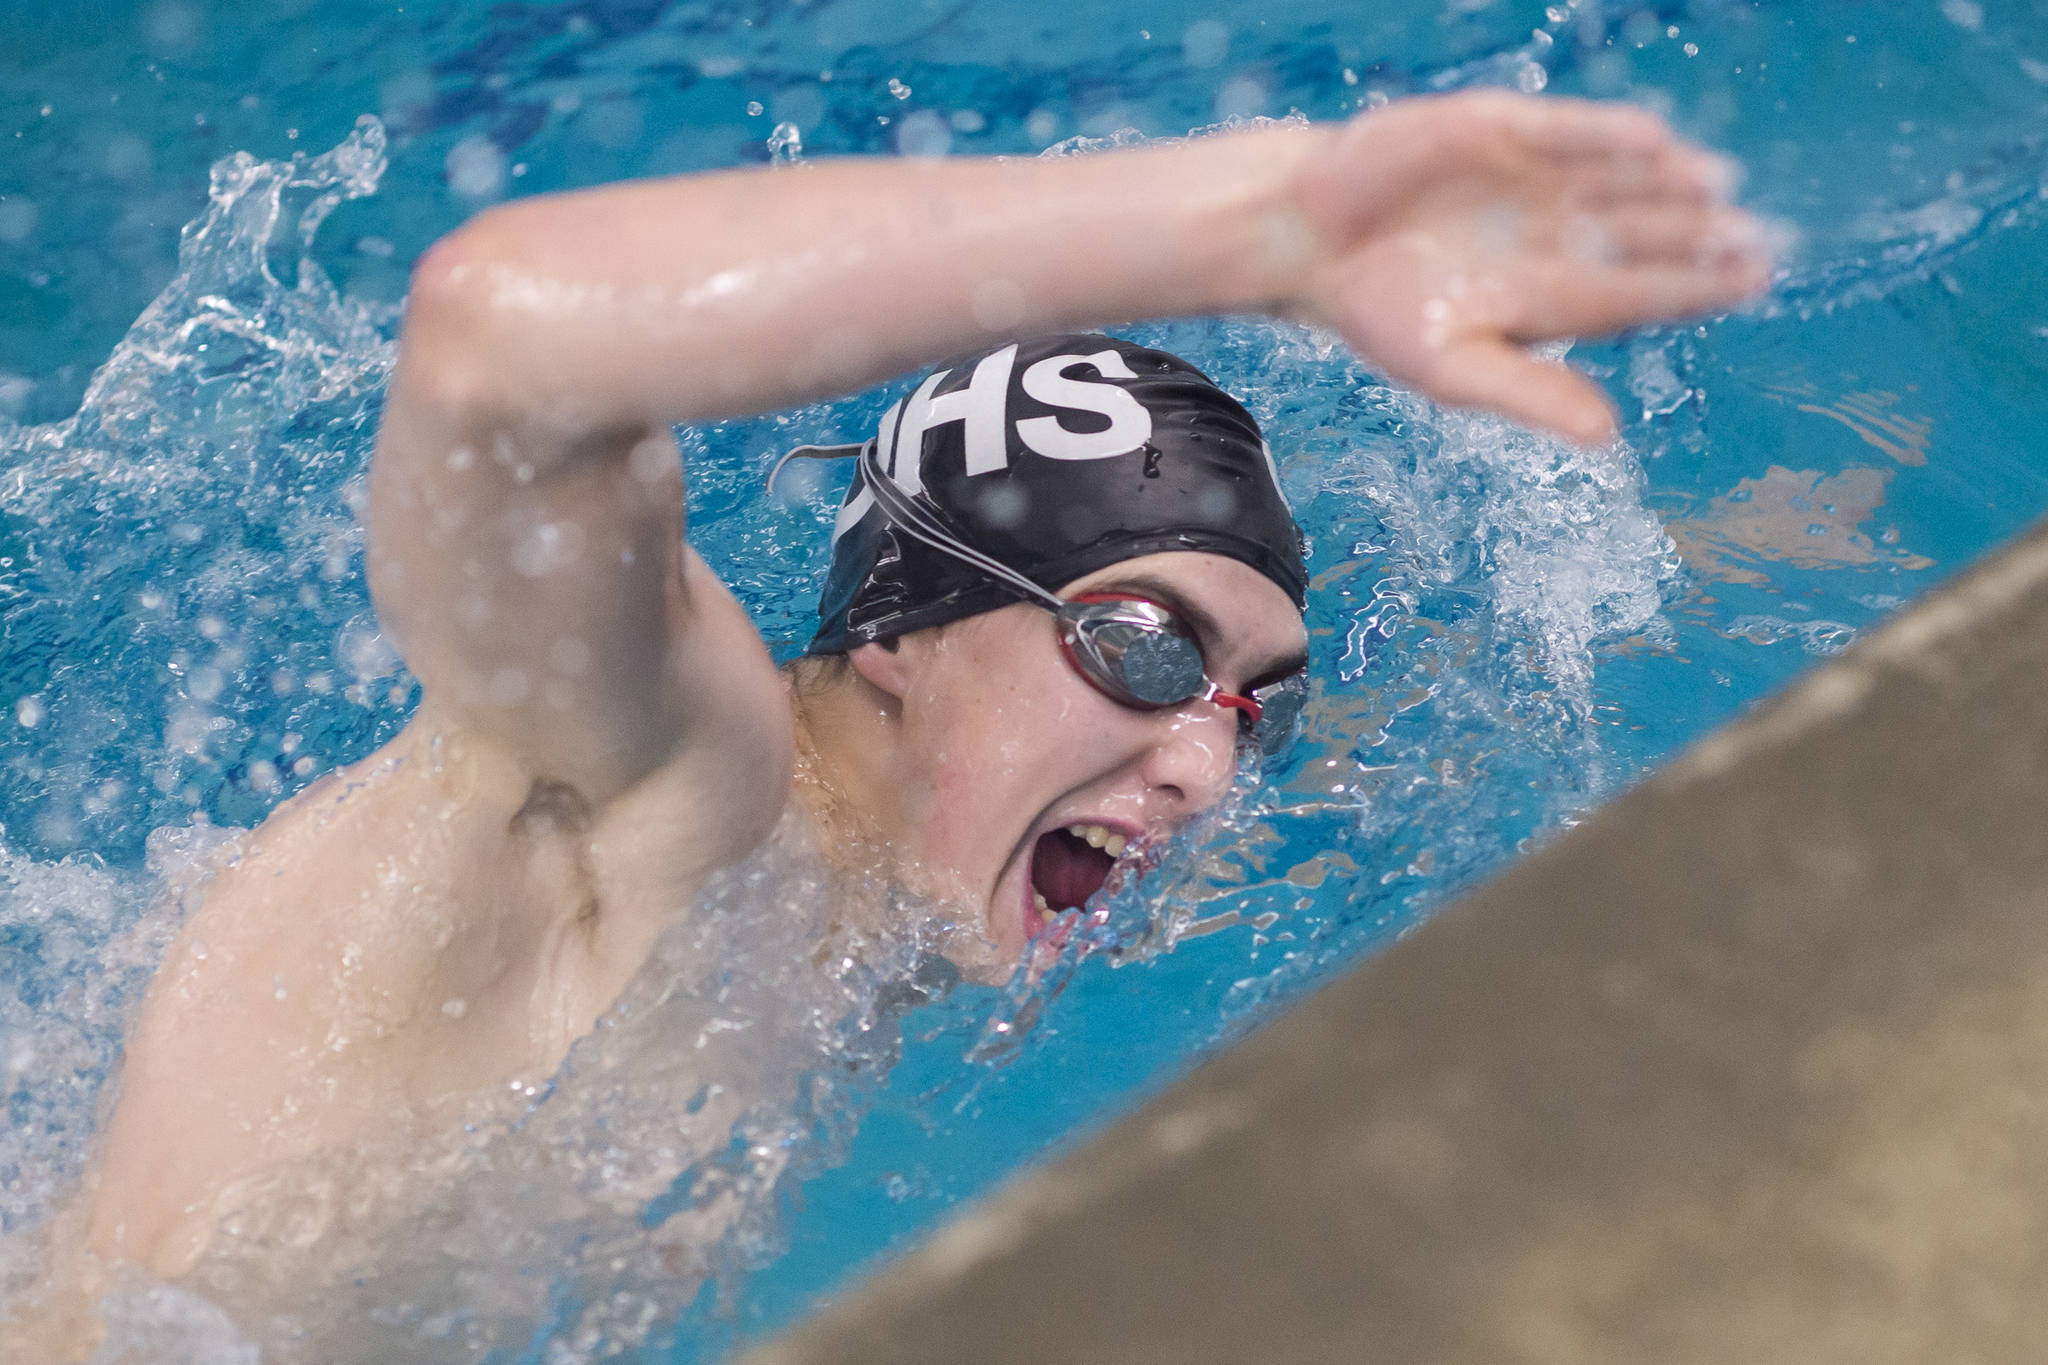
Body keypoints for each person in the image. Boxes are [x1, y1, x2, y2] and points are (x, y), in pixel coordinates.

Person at [42, 89, 1768, 1308]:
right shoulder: (666, 789)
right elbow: (499, 340)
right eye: (1146, 647)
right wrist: (1267, 225)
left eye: (1258, 705)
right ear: (900, 627)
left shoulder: (903, 884)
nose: (1207, 769)